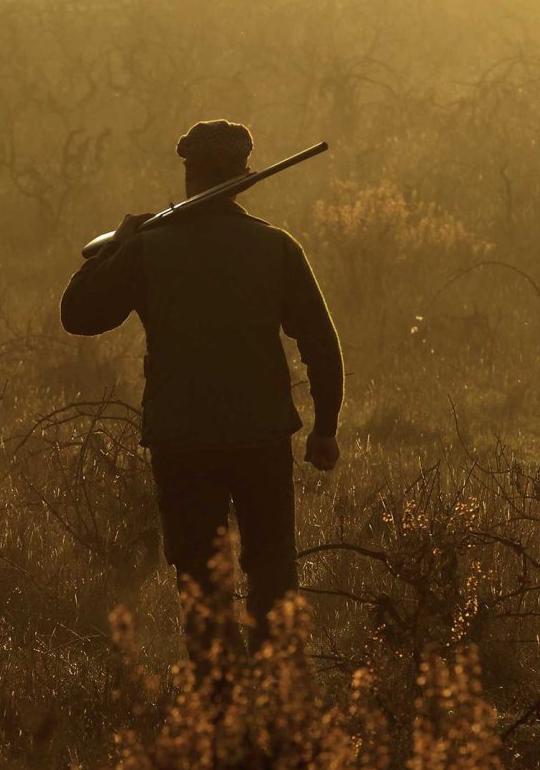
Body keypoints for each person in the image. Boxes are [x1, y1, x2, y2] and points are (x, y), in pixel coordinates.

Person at [59, 119, 343, 664]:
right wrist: (325, 427)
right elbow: (321, 343)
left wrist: (120, 245)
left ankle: (220, 706)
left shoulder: (147, 250)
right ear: (243, 174)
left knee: (199, 579)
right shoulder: (275, 246)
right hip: (260, 436)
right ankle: (278, 695)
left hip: (182, 440)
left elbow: (79, 315)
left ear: (189, 173)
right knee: (273, 569)